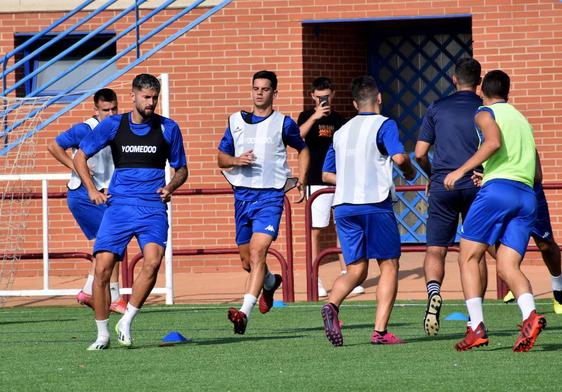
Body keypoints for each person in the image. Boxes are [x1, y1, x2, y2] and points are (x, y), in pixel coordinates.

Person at [74, 74, 188, 350]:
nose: (151, 103)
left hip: (152, 207)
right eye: (146, 97)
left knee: (152, 261)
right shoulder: (114, 124)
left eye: (154, 98)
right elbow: (80, 155)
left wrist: (170, 186)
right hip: (119, 206)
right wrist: (91, 189)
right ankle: (102, 334)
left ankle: (127, 319)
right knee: (101, 269)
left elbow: (182, 169)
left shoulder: (168, 128)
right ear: (133, 96)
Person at [444, 70, 546, 352]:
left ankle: (475, 327)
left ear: (483, 92)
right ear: (508, 92)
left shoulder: (483, 112)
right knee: (507, 265)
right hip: (526, 196)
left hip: (498, 192)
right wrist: (488, 173)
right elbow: (536, 172)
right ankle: (530, 316)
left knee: (467, 256)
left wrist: (462, 171)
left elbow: (493, 142)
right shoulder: (522, 121)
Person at [320, 75, 416, 347]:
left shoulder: (340, 132)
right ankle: (380, 332)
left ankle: (332, 305)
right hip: (374, 204)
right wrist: (408, 173)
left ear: (353, 103)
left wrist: (351, 179)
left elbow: (327, 174)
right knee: (388, 265)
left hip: (344, 207)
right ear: (379, 98)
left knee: (356, 270)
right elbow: (399, 158)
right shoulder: (385, 124)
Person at [217, 70, 310, 334]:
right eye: (256, 88)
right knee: (247, 261)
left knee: (259, 252)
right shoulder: (235, 121)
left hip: (270, 196)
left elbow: (302, 149)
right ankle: (269, 283)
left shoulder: (284, 123)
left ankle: (243, 313)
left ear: (274, 93)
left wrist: (302, 178)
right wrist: (237, 160)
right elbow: (221, 159)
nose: (259, 93)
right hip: (242, 196)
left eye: (265, 89)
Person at [414, 58, 487, 336]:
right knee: (475, 254)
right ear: (478, 82)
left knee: (435, 249)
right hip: (476, 184)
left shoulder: (437, 107)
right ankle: (474, 314)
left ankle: (434, 292)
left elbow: (420, 152)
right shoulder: (485, 109)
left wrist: (433, 175)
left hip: (443, 184)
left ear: (454, 79)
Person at [47, 88, 126, 314]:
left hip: (105, 193)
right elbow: (53, 146)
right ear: (95, 110)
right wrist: (77, 166)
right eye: (105, 110)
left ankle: (88, 291)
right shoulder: (85, 129)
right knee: (112, 241)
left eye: (114, 109)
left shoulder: (119, 126)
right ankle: (113, 296)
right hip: (83, 195)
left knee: (108, 244)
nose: (110, 114)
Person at [298, 77, 364, 298]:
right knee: (316, 230)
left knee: (343, 226)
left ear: (333, 94)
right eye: (319, 97)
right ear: (312, 97)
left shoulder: (339, 120)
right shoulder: (306, 116)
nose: (323, 100)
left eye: (326, 96)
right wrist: (316, 116)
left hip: (338, 180)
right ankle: (314, 278)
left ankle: (348, 274)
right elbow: (297, 137)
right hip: (315, 180)